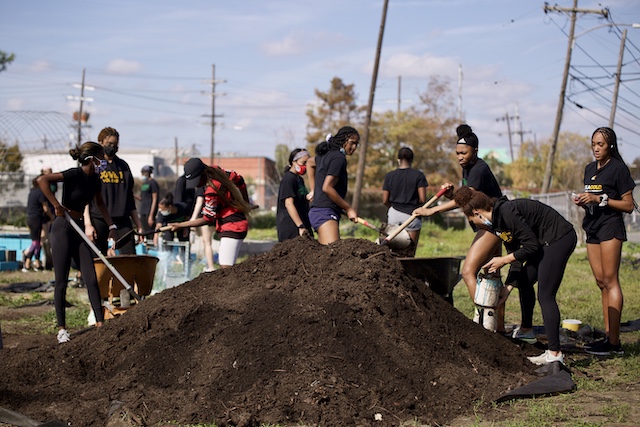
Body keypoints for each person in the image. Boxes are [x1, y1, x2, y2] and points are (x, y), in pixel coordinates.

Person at [413, 124, 524, 335]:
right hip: (491, 225)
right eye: (457, 153)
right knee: (491, 273)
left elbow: (469, 197)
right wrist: (451, 193)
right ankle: (497, 329)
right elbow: (464, 198)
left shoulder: (479, 169)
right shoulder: (468, 168)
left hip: (494, 225)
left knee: (467, 271)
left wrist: (432, 211)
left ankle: (483, 324)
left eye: (464, 152)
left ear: (475, 151)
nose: (460, 157)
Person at [454, 186, 577, 365]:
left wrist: (503, 260)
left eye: (471, 220)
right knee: (524, 281)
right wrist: (508, 287)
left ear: (477, 213)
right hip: (542, 243)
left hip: (558, 238)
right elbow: (517, 254)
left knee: (545, 295)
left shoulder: (507, 212)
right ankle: (526, 331)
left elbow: (531, 247)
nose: (474, 226)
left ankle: (555, 353)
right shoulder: (497, 224)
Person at [36, 142, 117, 344]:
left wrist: (112, 226)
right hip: (63, 227)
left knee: (90, 277)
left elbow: (100, 203)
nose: (104, 162)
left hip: (79, 227)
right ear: (92, 159)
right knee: (61, 280)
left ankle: (100, 324)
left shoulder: (95, 180)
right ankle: (62, 329)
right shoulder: (74, 174)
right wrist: (56, 205)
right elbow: (42, 180)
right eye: (102, 158)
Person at [573, 127, 636, 356]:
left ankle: (614, 343)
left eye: (600, 144)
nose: (596, 148)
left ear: (610, 145)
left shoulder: (619, 169)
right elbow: (593, 198)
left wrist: (601, 199)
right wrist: (584, 201)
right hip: (592, 227)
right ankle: (608, 336)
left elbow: (628, 206)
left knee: (611, 281)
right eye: (593, 144)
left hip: (611, 227)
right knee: (601, 281)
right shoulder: (590, 169)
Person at [169, 158, 252, 269]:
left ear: (203, 173)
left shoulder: (211, 190)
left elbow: (207, 219)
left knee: (226, 269)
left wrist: (181, 225)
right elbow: (239, 180)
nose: (196, 185)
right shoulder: (216, 171)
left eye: (197, 180)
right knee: (227, 270)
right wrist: (246, 203)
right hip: (233, 222)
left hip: (233, 225)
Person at [83, 127, 143, 256]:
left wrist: (139, 225)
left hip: (122, 219)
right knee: (97, 258)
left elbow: (129, 198)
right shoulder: (94, 165)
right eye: (109, 144)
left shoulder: (123, 166)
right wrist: (87, 223)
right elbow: (85, 197)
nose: (112, 147)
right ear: (100, 142)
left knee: (129, 256)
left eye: (115, 145)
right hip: (99, 218)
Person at [307, 126, 360, 245]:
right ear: (343, 140)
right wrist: (349, 208)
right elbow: (327, 188)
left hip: (319, 210)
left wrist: (313, 190)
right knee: (333, 255)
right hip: (324, 212)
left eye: (357, 144)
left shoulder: (326, 155)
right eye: (352, 143)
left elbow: (310, 163)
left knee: (326, 256)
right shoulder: (338, 158)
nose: (354, 147)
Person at [382, 147, 427, 255]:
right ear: (412, 160)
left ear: (398, 159)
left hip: (394, 214)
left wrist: (393, 207)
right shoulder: (418, 176)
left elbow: (384, 200)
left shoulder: (390, 176)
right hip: (412, 215)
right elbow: (422, 199)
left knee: (393, 251)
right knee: (409, 251)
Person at [277, 148, 312, 241]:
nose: (305, 166)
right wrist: (300, 226)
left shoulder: (299, 179)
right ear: (294, 162)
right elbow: (289, 203)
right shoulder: (288, 179)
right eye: (303, 163)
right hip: (292, 226)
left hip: (303, 222)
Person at [22, 178, 54, 272]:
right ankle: (27, 262)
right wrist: (52, 217)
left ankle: (37, 263)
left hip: (31, 218)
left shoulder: (32, 192)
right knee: (35, 242)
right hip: (36, 219)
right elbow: (45, 208)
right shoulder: (41, 193)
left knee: (38, 241)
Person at [138, 165, 159, 236]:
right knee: (144, 232)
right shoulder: (144, 183)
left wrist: (151, 215)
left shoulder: (153, 183)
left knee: (150, 233)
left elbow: (155, 199)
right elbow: (142, 198)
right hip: (143, 211)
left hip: (149, 211)